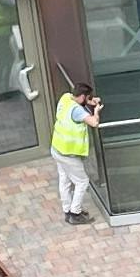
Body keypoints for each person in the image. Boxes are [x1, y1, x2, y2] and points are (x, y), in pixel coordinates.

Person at [49, 86, 101, 221]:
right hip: (68, 153)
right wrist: (96, 111)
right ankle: (75, 213)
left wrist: (89, 101)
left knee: (65, 180)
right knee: (82, 181)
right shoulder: (77, 111)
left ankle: (67, 209)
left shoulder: (65, 97)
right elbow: (94, 123)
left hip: (57, 148)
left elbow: (78, 102)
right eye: (88, 97)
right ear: (83, 96)